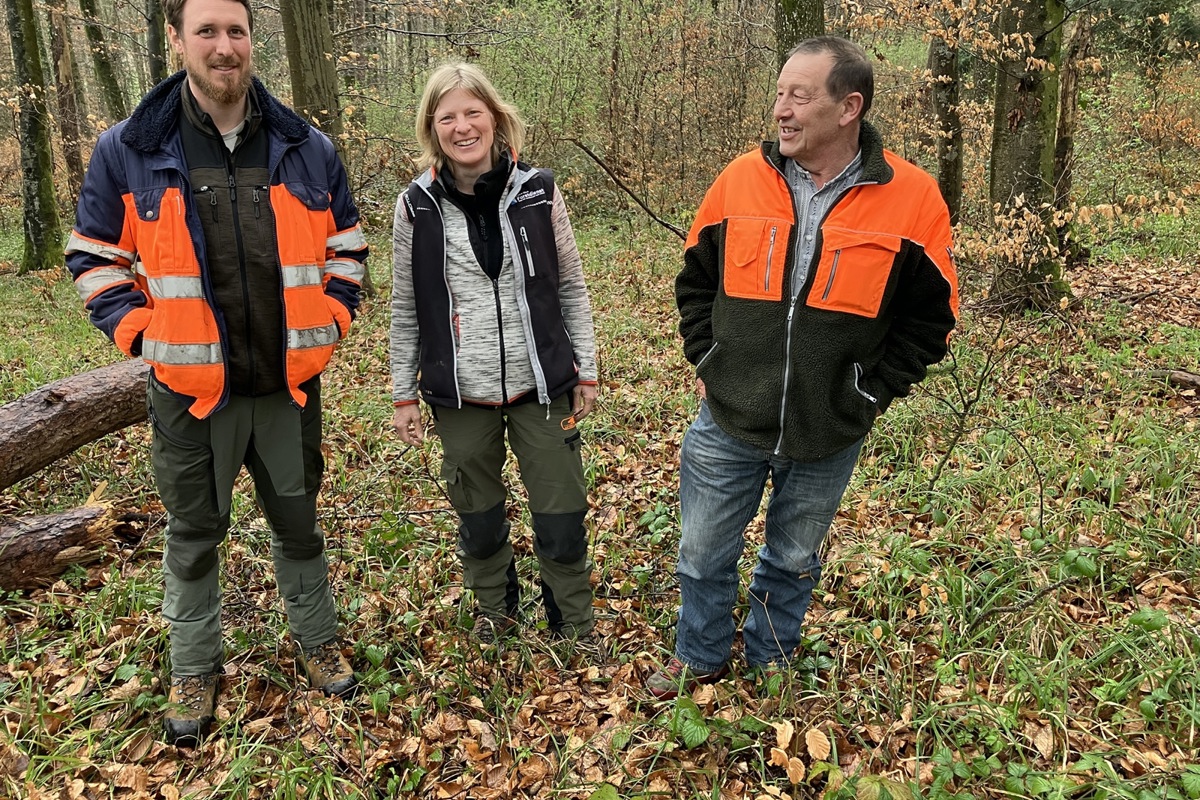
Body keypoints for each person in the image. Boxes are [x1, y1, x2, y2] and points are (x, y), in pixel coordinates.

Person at [65, 0, 368, 744]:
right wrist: (144, 336)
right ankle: (194, 666)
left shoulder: (306, 146)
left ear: (250, 40)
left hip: (288, 389)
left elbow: (348, 249)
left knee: (298, 525)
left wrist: (332, 320)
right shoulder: (128, 149)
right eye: (207, 31)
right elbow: (95, 260)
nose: (224, 47)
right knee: (196, 533)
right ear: (177, 40)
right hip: (190, 396)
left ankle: (317, 641)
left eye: (236, 31)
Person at [646, 36, 958, 699]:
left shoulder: (914, 198)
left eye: (800, 96)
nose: (782, 111)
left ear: (849, 107)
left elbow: (932, 319)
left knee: (792, 559)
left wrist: (869, 392)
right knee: (702, 552)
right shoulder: (739, 180)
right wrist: (709, 357)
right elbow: (694, 281)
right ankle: (698, 656)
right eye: (780, 93)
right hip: (729, 417)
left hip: (827, 428)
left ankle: (771, 662)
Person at [390, 63, 599, 648]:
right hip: (459, 392)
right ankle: (495, 612)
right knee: (478, 518)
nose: (463, 127)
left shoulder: (539, 191)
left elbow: (572, 287)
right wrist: (403, 392)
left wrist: (587, 371)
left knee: (561, 514)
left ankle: (573, 623)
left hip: (543, 385)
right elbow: (406, 304)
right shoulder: (416, 206)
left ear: (495, 117)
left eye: (472, 112)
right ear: (433, 127)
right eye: (448, 116)